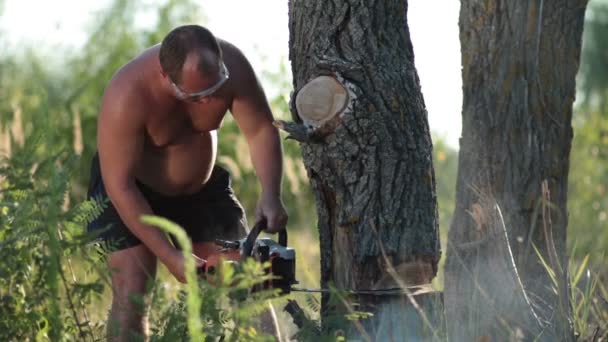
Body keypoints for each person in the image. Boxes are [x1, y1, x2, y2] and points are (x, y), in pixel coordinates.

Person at [86, 25, 288, 340]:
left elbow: (261, 129)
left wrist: (271, 193)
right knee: (132, 295)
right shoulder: (127, 93)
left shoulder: (233, 64)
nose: (209, 102)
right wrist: (170, 256)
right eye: (197, 96)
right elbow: (120, 186)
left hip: (202, 191)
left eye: (216, 88)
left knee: (250, 282)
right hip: (131, 191)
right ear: (167, 77)